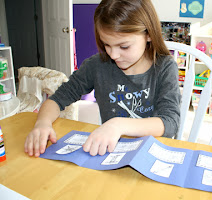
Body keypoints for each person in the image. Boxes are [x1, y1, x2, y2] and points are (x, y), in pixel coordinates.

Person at [24, 0, 181, 157]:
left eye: (124, 46)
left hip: (151, 152)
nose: (113, 55)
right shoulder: (96, 65)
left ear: (148, 34)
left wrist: (118, 125)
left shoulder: (165, 67)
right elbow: (57, 99)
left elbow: (170, 122)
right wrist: (42, 123)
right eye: (106, 44)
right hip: (111, 153)